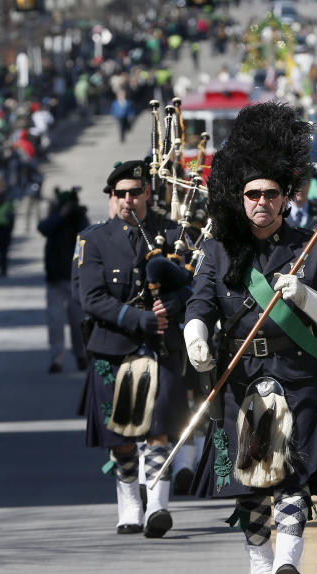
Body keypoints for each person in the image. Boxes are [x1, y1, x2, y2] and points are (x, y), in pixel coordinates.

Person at [185, 102, 317, 574]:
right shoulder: (218, 249)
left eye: (270, 194)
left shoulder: (312, 249)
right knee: (252, 483)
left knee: (294, 475)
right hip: (240, 374)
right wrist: (195, 334)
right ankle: (260, 569)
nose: (261, 202)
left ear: (284, 198)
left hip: (295, 371)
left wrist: (304, 295)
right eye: (252, 194)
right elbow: (200, 301)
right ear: (241, 198)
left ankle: (287, 564)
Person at [77, 160, 191, 538]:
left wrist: (171, 307)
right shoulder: (93, 240)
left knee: (160, 427)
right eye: (121, 193)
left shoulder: (174, 233)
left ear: (147, 194)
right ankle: (129, 501)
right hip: (114, 347)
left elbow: (192, 286)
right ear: (113, 197)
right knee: (122, 437)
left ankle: (158, 503)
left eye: (136, 192)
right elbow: (91, 298)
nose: (129, 199)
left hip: (161, 345)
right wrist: (137, 318)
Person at [38, 186, 90, 373]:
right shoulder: (55, 219)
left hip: (75, 279)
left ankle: (82, 355)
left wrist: (76, 214)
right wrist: (60, 214)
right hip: (55, 280)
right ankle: (56, 359)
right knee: (55, 323)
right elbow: (43, 228)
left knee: (79, 322)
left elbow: (87, 233)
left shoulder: (79, 218)